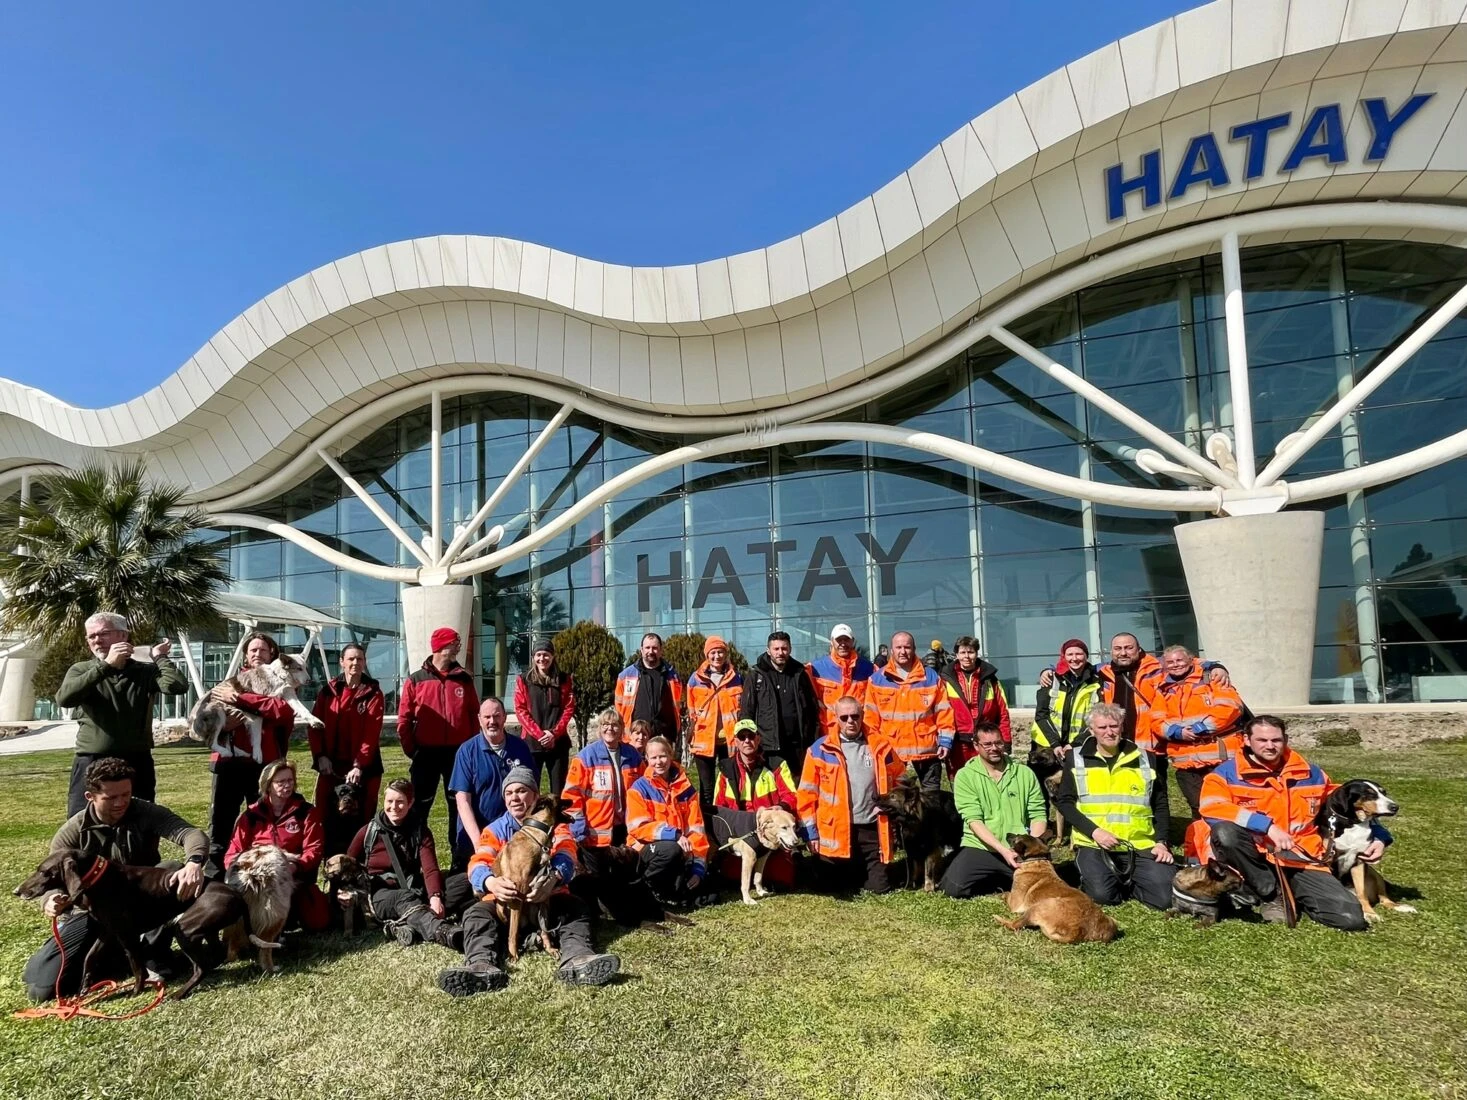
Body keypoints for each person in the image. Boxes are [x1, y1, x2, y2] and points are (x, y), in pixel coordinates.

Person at [21, 757, 208, 1001]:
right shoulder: (71, 834)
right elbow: (50, 880)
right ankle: (120, 954)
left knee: (171, 869)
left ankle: (152, 956)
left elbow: (190, 833)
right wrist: (50, 899)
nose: (121, 803)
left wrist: (194, 862)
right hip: (94, 915)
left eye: (126, 794)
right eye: (111, 798)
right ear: (90, 796)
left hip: (142, 902)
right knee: (42, 988)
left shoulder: (145, 811)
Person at [436, 766, 621, 995]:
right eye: (509, 793)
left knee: (577, 907)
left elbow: (567, 855)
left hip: (547, 900)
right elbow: (477, 862)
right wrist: (490, 883)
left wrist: (554, 878)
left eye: (522, 791)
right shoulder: (495, 829)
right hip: (505, 904)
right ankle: (481, 965)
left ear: (536, 797)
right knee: (476, 914)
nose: (515, 798)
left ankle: (578, 958)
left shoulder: (558, 827)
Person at [1194, 715, 1374, 931]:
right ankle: (1272, 894)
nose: (1270, 746)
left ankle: (1296, 892)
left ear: (1285, 739)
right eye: (1262, 740)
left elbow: (1345, 804)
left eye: (1276, 740)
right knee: (1225, 832)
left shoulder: (1311, 774)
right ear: (1246, 740)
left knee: (1350, 919)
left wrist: (1379, 837)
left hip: (1301, 857)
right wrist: (1267, 826)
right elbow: (1212, 807)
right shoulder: (1224, 775)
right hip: (1252, 856)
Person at [56, 611, 188, 817]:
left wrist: (160, 657)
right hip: (92, 759)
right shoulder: (81, 670)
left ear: (124, 636)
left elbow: (177, 686)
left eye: (103, 634)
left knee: (140, 820)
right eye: (91, 636)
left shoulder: (144, 672)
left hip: (135, 760)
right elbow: (65, 698)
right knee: (83, 819)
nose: (97, 641)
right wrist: (106, 666)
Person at [1052, 703, 1175, 909]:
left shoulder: (1146, 758)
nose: (1109, 732)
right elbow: (1065, 803)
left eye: (1114, 726)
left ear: (1121, 727)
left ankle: (1129, 880)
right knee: (1102, 897)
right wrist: (1095, 832)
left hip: (1139, 843)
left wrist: (1162, 841)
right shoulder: (1076, 758)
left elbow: (1160, 804)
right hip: (1095, 844)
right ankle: (1103, 877)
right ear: (1091, 731)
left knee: (1164, 899)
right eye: (1102, 728)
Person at [206, 631, 298, 867]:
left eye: (263, 650)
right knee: (220, 823)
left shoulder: (280, 684)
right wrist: (225, 724)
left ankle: (262, 869)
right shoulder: (230, 683)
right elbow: (207, 720)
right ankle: (215, 874)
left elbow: (283, 711)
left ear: (272, 654)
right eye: (253, 650)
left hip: (264, 764)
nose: (258, 654)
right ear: (246, 656)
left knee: (264, 821)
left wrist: (240, 699)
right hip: (228, 763)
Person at [798, 695, 905, 894]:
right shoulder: (818, 750)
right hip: (836, 831)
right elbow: (806, 796)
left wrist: (894, 811)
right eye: (844, 717)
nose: (850, 722)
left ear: (863, 715)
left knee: (879, 887)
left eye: (855, 716)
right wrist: (810, 834)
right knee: (834, 888)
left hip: (871, 828)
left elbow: (901, 781)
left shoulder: (881, 746)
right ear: (835, 718)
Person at [346, 778, 460, 948]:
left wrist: (435, 897)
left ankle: (409, 924)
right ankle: (441, 931)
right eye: (389, 801)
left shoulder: (420, 831)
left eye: (400, 802)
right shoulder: (368, 832)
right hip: (379, 894)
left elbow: (430, 869)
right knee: (404, 898)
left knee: (461, 882)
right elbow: (347, 864)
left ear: (411, 802)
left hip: (412, 887)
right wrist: (345, 891)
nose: (393, 807)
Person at [939, 723, 1047, 899]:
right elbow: (973, 820)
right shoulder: (965, 776)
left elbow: (1038, 813)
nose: (994, 748)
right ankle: (1000, 879)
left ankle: (1009, 879)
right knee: (953, 889)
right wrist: (1002, 850)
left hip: (1019, 848)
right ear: (976, 746)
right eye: (987, 745)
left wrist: (1030, 847)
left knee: (1043, 889)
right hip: (981, 846)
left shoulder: (1024, 773)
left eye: (998, 743)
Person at [562, 707, 650, 925]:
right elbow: (571, 796)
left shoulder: (632, 756)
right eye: (605, 725)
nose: (610, 728)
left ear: (622, 730)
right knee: (600, 881)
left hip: (625, 828)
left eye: (615, 725)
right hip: (595, 834)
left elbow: (645, 787)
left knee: (626, 874)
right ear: (600, 729)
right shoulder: (585, 757)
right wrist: (578, 828)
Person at [223, 759, 330, 932]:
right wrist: (245, 871)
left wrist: (295, 866)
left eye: (290, 781)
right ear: (268, 785)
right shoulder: (250, 816)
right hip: (258, 880)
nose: (287, 786)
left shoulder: (307, 812)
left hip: (293, 877)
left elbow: (314, 849)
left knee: (318, 922)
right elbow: (233, 853)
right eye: (280, 782)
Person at [398, 626, 479, 848]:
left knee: (459, 805)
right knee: (419, 807)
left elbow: (474, 714)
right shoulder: (416, 680)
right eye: (454, 643)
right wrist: (412, 750)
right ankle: (414, 854)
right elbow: (403, 719)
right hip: (425, 753)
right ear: (441, 646)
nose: (458, 648)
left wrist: (471, 749)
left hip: (457, 754)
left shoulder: (464, 679)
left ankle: (460, 857)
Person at [1149, 645, 1245, 819]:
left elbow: (1230, 708)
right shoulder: (1163, 688)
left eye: (1179, 660)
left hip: (1220, 758)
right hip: (1187, 762)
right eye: (1170, 662)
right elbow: (1156, 719)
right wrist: (1174, 732)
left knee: (1228, 804)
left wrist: (1202, 728)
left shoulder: (1211, 678)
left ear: (1191, 660)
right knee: (1198, 807)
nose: (1175, 665)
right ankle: (1202, 844)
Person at [309, 643, 385, 859]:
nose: (355, 663)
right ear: (342, 662)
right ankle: (329, 859)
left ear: (365, 663)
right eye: (351, 659)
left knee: (363, 815)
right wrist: (320, 756)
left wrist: (359, 765)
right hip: (331, 764)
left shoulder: (373, 693)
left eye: (359, 659)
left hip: (364, 766)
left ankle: (362, 859)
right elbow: (314, 726)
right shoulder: (327, 692)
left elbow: (371, 733)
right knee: (325, 812)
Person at [711, 718, 800, 889]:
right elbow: (718, 807)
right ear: (735, 741)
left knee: (784, 878)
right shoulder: (725, 770)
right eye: (742, 737)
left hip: (770, 837)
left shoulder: (777, 765)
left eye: (751, 736)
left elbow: (792, 796)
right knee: (730, 876)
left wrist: (780, 807)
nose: (747, 741)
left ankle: (791, 858)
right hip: (740, 836)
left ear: (758, 739)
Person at [448, 697, 535, 871]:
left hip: (514, 838)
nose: (492, 722)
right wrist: (479, 844)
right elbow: (462, 801)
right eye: (487, 717)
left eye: (496, 716)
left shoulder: (520, 748)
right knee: (463, 892)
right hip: (474, 840)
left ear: (504, 717)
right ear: (479, 719)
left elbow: (532, 792)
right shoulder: (467, 751)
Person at [626, 736, 711, 907]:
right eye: (654, 757)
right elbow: (638, 828)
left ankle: (671, 891)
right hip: (645, 852)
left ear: (671, 756)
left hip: (680, 852)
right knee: (671, 849)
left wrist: (698, 869)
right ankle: (642, 888)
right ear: (647, 759)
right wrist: (674, 835)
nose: (659, 761)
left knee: (709, 894)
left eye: (663, 756)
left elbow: (697, 830)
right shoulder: (638, 788)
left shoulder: (687, 789)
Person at [864, 631, 954, 792]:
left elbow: (944, 711)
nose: (903, 651)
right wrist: (874, 747)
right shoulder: (877, 679)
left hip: (927, 750)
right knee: (896, 799)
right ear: (891, 650)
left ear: (914, 649)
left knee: (932, 800)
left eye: (907, 647)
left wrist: (945, 741)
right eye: (898, 647)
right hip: (892, 751)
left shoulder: (931, 677)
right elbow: (871, 718)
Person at [741, 630, 819, 775]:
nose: (780, 652)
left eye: (784, 648)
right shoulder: (756, 675)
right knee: (771, 790)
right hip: (768, 747)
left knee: (796, 789)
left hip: (797, 746)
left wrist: (812, 740)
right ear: (768, 651)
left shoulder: (799, 674)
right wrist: (749, 743)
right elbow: (747, 711)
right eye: (776, 649)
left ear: (790, 649)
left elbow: (812, 709)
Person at [684, 635, 744, 819]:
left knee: (732, 782)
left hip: (729, 741)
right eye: (713, 652)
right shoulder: (695, 679)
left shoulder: (736, 678)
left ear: (726, 654)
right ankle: (707, 824)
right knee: (707, 787)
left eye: (720, 652)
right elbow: (691, 709)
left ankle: (732, 819)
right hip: (704, 742)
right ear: (706, 655)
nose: (717, 656)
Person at [512, 637, 575, 800]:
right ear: (533, 657)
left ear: (553, 656)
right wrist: (540, 735)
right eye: (538, 655)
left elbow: (569, 707)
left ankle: (558, 823)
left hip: (558, 743)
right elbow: (520, 710)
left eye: (546, 654)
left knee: (559, 790)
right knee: (530, 788)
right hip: (532, 744)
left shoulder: (564, 679)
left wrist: (554, 734)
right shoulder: (523, 680)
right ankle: (532, 821)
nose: (542, 659)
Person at [939, 635, 1011, 777]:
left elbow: (1003, 713)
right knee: (960, 781)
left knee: (989, 780)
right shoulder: (945, 679)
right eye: (963, 652)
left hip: (986, 742)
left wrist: (1006, 743)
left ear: (977, 653)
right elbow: (940, 712)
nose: (967, 656)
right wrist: (943, 741)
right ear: (957, 655)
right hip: (957, 743)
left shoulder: (991, 679)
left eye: (970, 652)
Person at [1030, 639, 1101, 757]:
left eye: (1079, 654)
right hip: (1046, 744)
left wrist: (1075, 744)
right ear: (1064, 656)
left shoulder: (1096, 681)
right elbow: (1041, 714)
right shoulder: (1051, 679)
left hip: (1080, 744)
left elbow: (1096, 718)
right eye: (1070, 654)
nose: (1074, 658)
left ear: (1086, 656)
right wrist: (1055, 743)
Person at [806, 624, 875, 742]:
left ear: (852, 641)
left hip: (860, 733)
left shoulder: (869, 669)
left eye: (846, 639)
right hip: (827, 733)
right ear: (832, 642)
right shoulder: (815, 669)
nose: (843, 643)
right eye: (839, 640)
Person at [614, 632, 684, 741]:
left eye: (655, 648)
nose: (650, 651)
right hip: (636, 738)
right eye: (647, 648)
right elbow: (619, 708)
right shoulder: (626, 676)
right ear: (641, 650)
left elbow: (680, 706)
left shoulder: (672, 676)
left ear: (661, 650)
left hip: (664, 738)